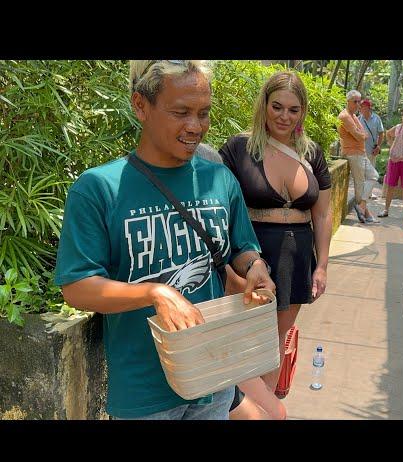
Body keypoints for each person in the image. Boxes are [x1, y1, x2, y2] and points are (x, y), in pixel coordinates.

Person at [54, 60, 275, 420]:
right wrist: (156, 293)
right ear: (140, 105)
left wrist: (256, 267)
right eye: (181, 112)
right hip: (143, 392)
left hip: (213, 377)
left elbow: (241, 248)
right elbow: (76, 286)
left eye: (204, 113)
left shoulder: (220, 180)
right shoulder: (98, 189)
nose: (195, 127)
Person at [218, 71, 333, 394]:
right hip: (250, 256)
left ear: (303, 112)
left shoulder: (312, 154)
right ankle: (242, 406)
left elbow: (322, 214)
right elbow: (219, 210)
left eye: (293, 109)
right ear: (264, 105)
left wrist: (321, 265)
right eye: (277, 106)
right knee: (246, 340)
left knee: (275, 341)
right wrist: (227, 268)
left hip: (296, 257)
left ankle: (266, 405)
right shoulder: (238, 149)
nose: (284, 116)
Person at [196, 143, 286, 420]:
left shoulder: (219, 226)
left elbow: (238, 280)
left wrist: (255, 269)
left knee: (277, 413)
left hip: (223, 351)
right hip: (199, 357)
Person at [338, 90, 380, 223]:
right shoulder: (345, 116)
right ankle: (364, 212)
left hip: (360, 153)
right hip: (353, 153)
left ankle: (361, 207)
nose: (357, 104)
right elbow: (360, 136)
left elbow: (364, 134)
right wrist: (361, 135)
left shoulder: (354, 117)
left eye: (359, 102)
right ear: (348, 101)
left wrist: (361, 135)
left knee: (373, 176)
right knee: (360, 183)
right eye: (355, 102)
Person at [358, 98, 385, 200]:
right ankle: (363, 193)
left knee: (371, 172)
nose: (361, 109)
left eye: (364, 107)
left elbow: (381, 133)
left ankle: (368, 193)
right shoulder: (358, 119)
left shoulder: (376, 119)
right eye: (361, 107)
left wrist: (378, 146)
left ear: (369, 108)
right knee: (362, 172)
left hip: (372, 151)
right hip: (360, 151)